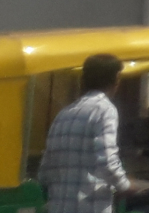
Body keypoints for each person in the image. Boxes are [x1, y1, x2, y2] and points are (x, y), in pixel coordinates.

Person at [38, 54, 134, 213]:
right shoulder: (104, 110)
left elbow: (45, 172)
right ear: (116, 79)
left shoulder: (62, 115)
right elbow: (107, 162)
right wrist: (125, 186)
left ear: (83, 79)